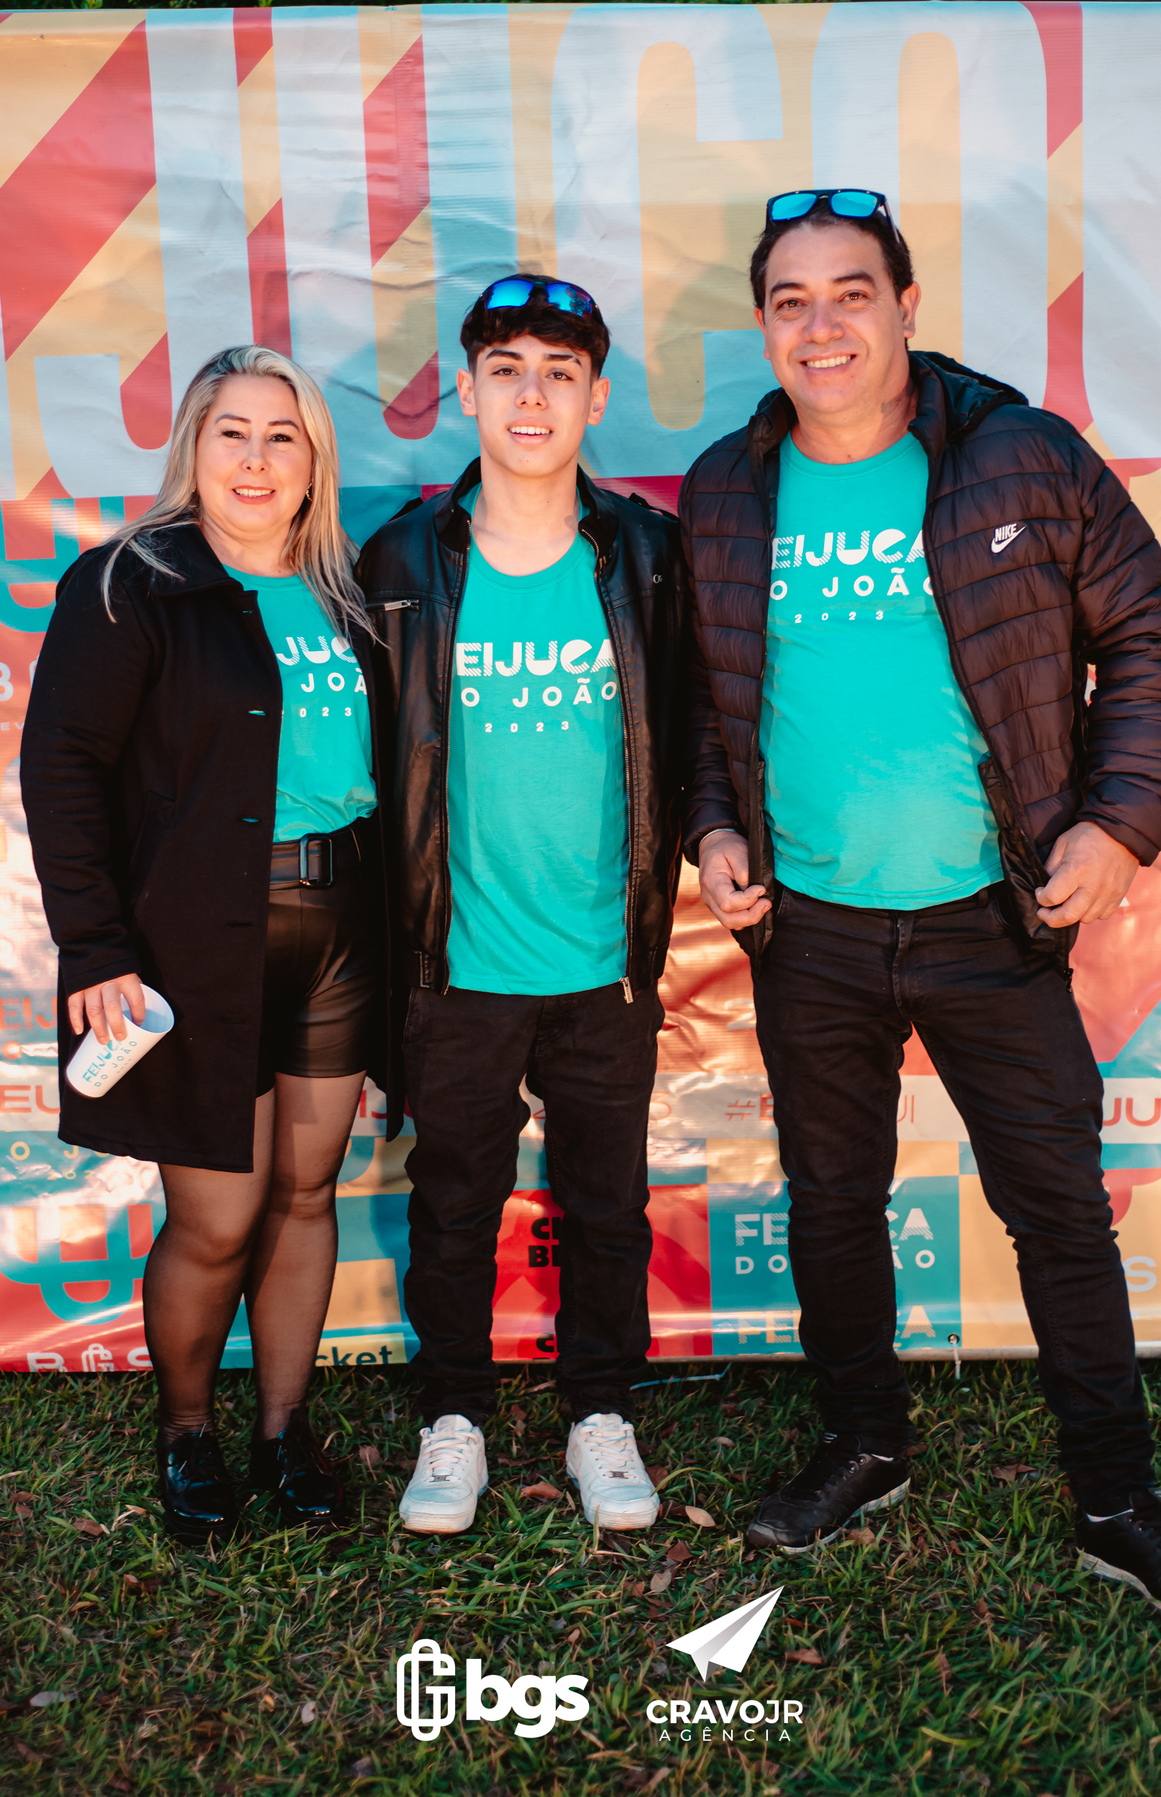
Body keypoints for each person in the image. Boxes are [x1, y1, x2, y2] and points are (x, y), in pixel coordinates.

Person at [681, 188, 1161, 1622]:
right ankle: (865, 1444)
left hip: (991, 919)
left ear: (906, 308)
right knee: (832, 1204)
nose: (823, 325)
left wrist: (1119, 823)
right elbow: (704, 702)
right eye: (791, 300)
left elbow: (1150, 634)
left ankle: (1117, 1498)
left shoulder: (1018, 456)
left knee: (1059, 1212)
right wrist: (712, 827)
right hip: (810, 930)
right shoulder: (729, 489)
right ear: (764, 326)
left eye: (852, 292)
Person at [22, 345, 383, 1544]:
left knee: (307, 1191)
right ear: (194, 446)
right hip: (195, 944)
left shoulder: (346, 592)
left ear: (314, 460)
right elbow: (61, 770)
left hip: (339, 929)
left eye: (284, 435)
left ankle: (283, 1432)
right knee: (220, 1216)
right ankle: (187, 1432)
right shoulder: (130, 584)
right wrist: (95, 948)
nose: (257, 459)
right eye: (233, 432)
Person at [357, 276, 689, 1534]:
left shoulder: (645, 554)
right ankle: (453, 1417)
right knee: (452, 1203)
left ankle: (601, 1411)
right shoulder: (404, 559)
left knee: (608, 1206)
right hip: (456, 964)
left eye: (560, 370)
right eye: (506, 369)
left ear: (597, 397)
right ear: (468, 390)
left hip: (606, 959)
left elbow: (699, 724)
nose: (532, 393)